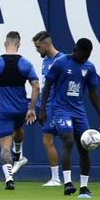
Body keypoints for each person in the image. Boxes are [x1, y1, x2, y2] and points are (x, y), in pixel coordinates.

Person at [39, 38, 100, 197]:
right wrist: (42, 109)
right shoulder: (61, 63)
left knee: (84, 147)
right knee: (68, 140)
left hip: (78, 111)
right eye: (82, 55)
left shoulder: (89, 67)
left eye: (86, 57)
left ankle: (84, 187)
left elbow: (93, 92)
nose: (84, 59)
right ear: (76, 50)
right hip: (61, 108)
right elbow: (48, 85)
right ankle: (68, 183)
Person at [0, 32, 39, 190]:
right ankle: (18, 155)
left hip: (3, 110)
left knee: (5, 148)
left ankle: (9, 179)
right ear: (19, 44)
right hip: (20, 108)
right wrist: (31, 108)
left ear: (5, 43)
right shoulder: (25, 63)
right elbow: (36, 86)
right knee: (18, 129)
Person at [32, 31, 63, 186]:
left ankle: (56, 178)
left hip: (56, 107)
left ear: (46, 44)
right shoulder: (45, 61)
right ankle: (57, 177)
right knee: (48, 140)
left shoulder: (62, 60)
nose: (37, 50)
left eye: (38, 47)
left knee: (48, 140)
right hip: (45, 106)